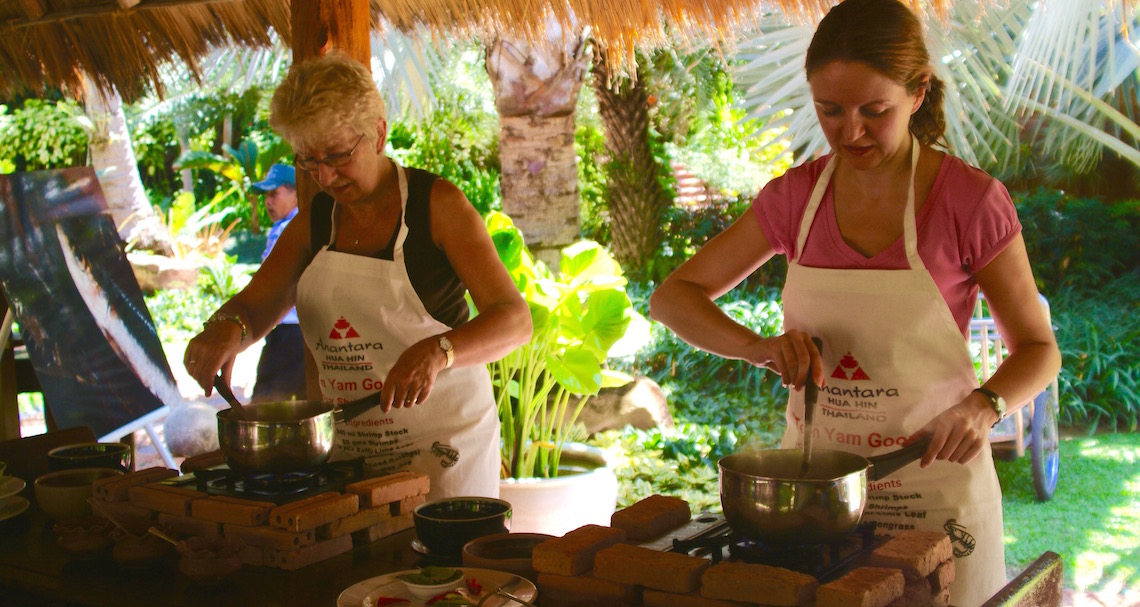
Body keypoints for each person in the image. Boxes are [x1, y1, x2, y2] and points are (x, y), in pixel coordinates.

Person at [648, 1, 1060, 604]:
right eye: (830, 111)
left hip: (936, 495)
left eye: (875, 110)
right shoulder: (794, 199)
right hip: (818, 506)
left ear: (918, 93)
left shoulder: (969, 202)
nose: (852, 132)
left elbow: (1039, 349)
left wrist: (984, 405)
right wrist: (759, 348)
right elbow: (672, 298)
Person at [183, 51, 532, 500]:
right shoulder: (316, 220)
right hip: (351, 453)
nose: (325, 175)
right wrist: (226, 329)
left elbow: (514, 319)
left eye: (337, 155)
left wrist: (438, 351)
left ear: (379, 133)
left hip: (444, 453)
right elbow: (257, 303)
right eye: (308, 160)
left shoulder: (436, 205)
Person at [248, 163, 306, 403]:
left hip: (289, 331)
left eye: (274, 194)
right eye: (265, 196)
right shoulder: (291, 226)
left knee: (264, 405)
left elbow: (271, 284)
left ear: (295, 193)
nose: (268, 202)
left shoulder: (287, 229)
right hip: (302, 329)